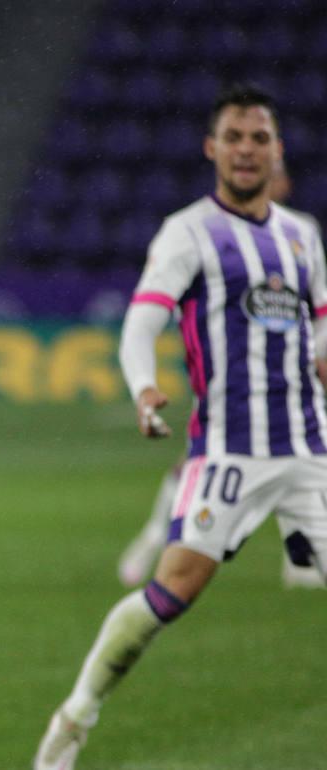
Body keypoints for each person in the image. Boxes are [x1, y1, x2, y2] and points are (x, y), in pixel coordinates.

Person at [35, 83, 327, 769]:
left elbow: (321, 340)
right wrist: (142, 386)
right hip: (230, 451)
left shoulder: (303, 237)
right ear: (213, 148)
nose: (247, 149)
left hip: (312, 452)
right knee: (169, 595)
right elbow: (143, 320)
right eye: (235, 137)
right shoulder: (190, 232)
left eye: (259, 138)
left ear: (276, 150)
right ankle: (75, 717)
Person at [116, 160, 327, 590]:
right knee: (196, 463)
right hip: (235, 378)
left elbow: (314, 307)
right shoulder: (207, 229)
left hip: (295, 381)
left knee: (302, 463)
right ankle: (153, 537)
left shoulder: (301, 231)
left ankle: (301, 558)